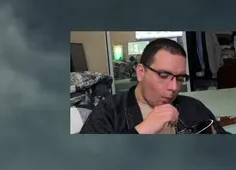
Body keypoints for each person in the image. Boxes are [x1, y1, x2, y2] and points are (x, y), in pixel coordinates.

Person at [79, 38, 226, 134]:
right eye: (163, 75)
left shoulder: (193, 108)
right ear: (141, 72)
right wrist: (143, 130)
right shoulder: (110, 111)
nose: (174, 87)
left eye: (180, 78)